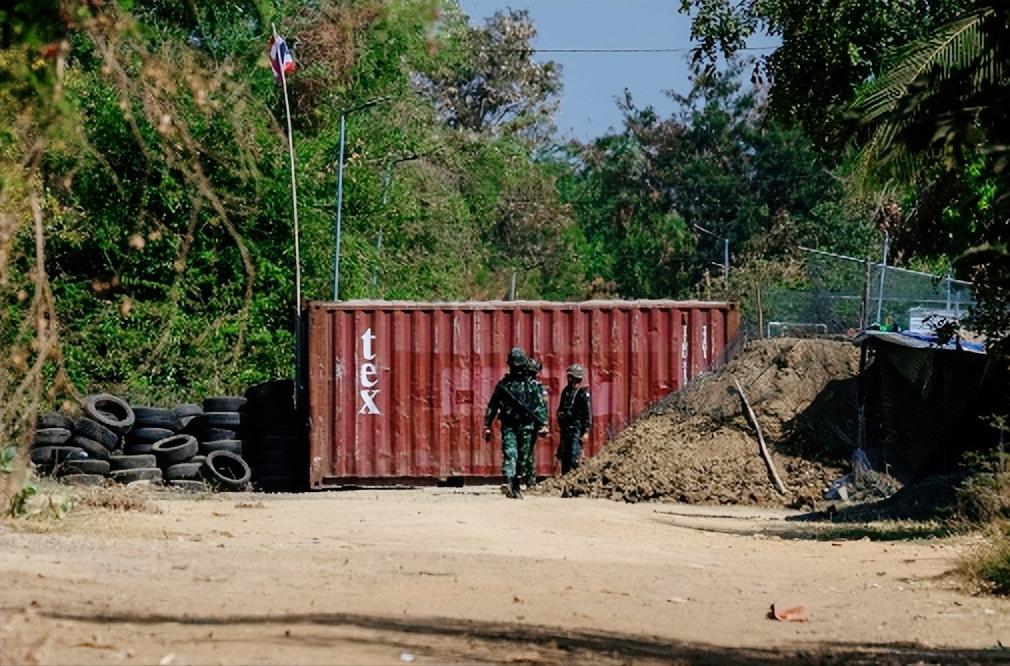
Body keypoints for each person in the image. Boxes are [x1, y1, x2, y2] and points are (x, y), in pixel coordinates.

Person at [484, 348, 547, 499]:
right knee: (510, 453)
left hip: (527, 426)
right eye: (515, 366)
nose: (517, 370)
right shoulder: (504, 386)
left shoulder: (532, 385)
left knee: (523, 458)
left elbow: (539, 406)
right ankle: (508, 480)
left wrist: (543, 424)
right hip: (509, 425)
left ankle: (517, 484)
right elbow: (493, 406)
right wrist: (487, 425)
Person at [556, 364, 591, 474]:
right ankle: (565, 477)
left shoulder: (582, 394)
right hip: (565, 429)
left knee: (574, 456)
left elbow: (587, 414)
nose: (569, 379)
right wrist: (560, 415)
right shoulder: (566, 391)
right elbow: (560, 408)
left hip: (576, 429)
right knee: (564, 456)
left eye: (571, 377)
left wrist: (585, 432)